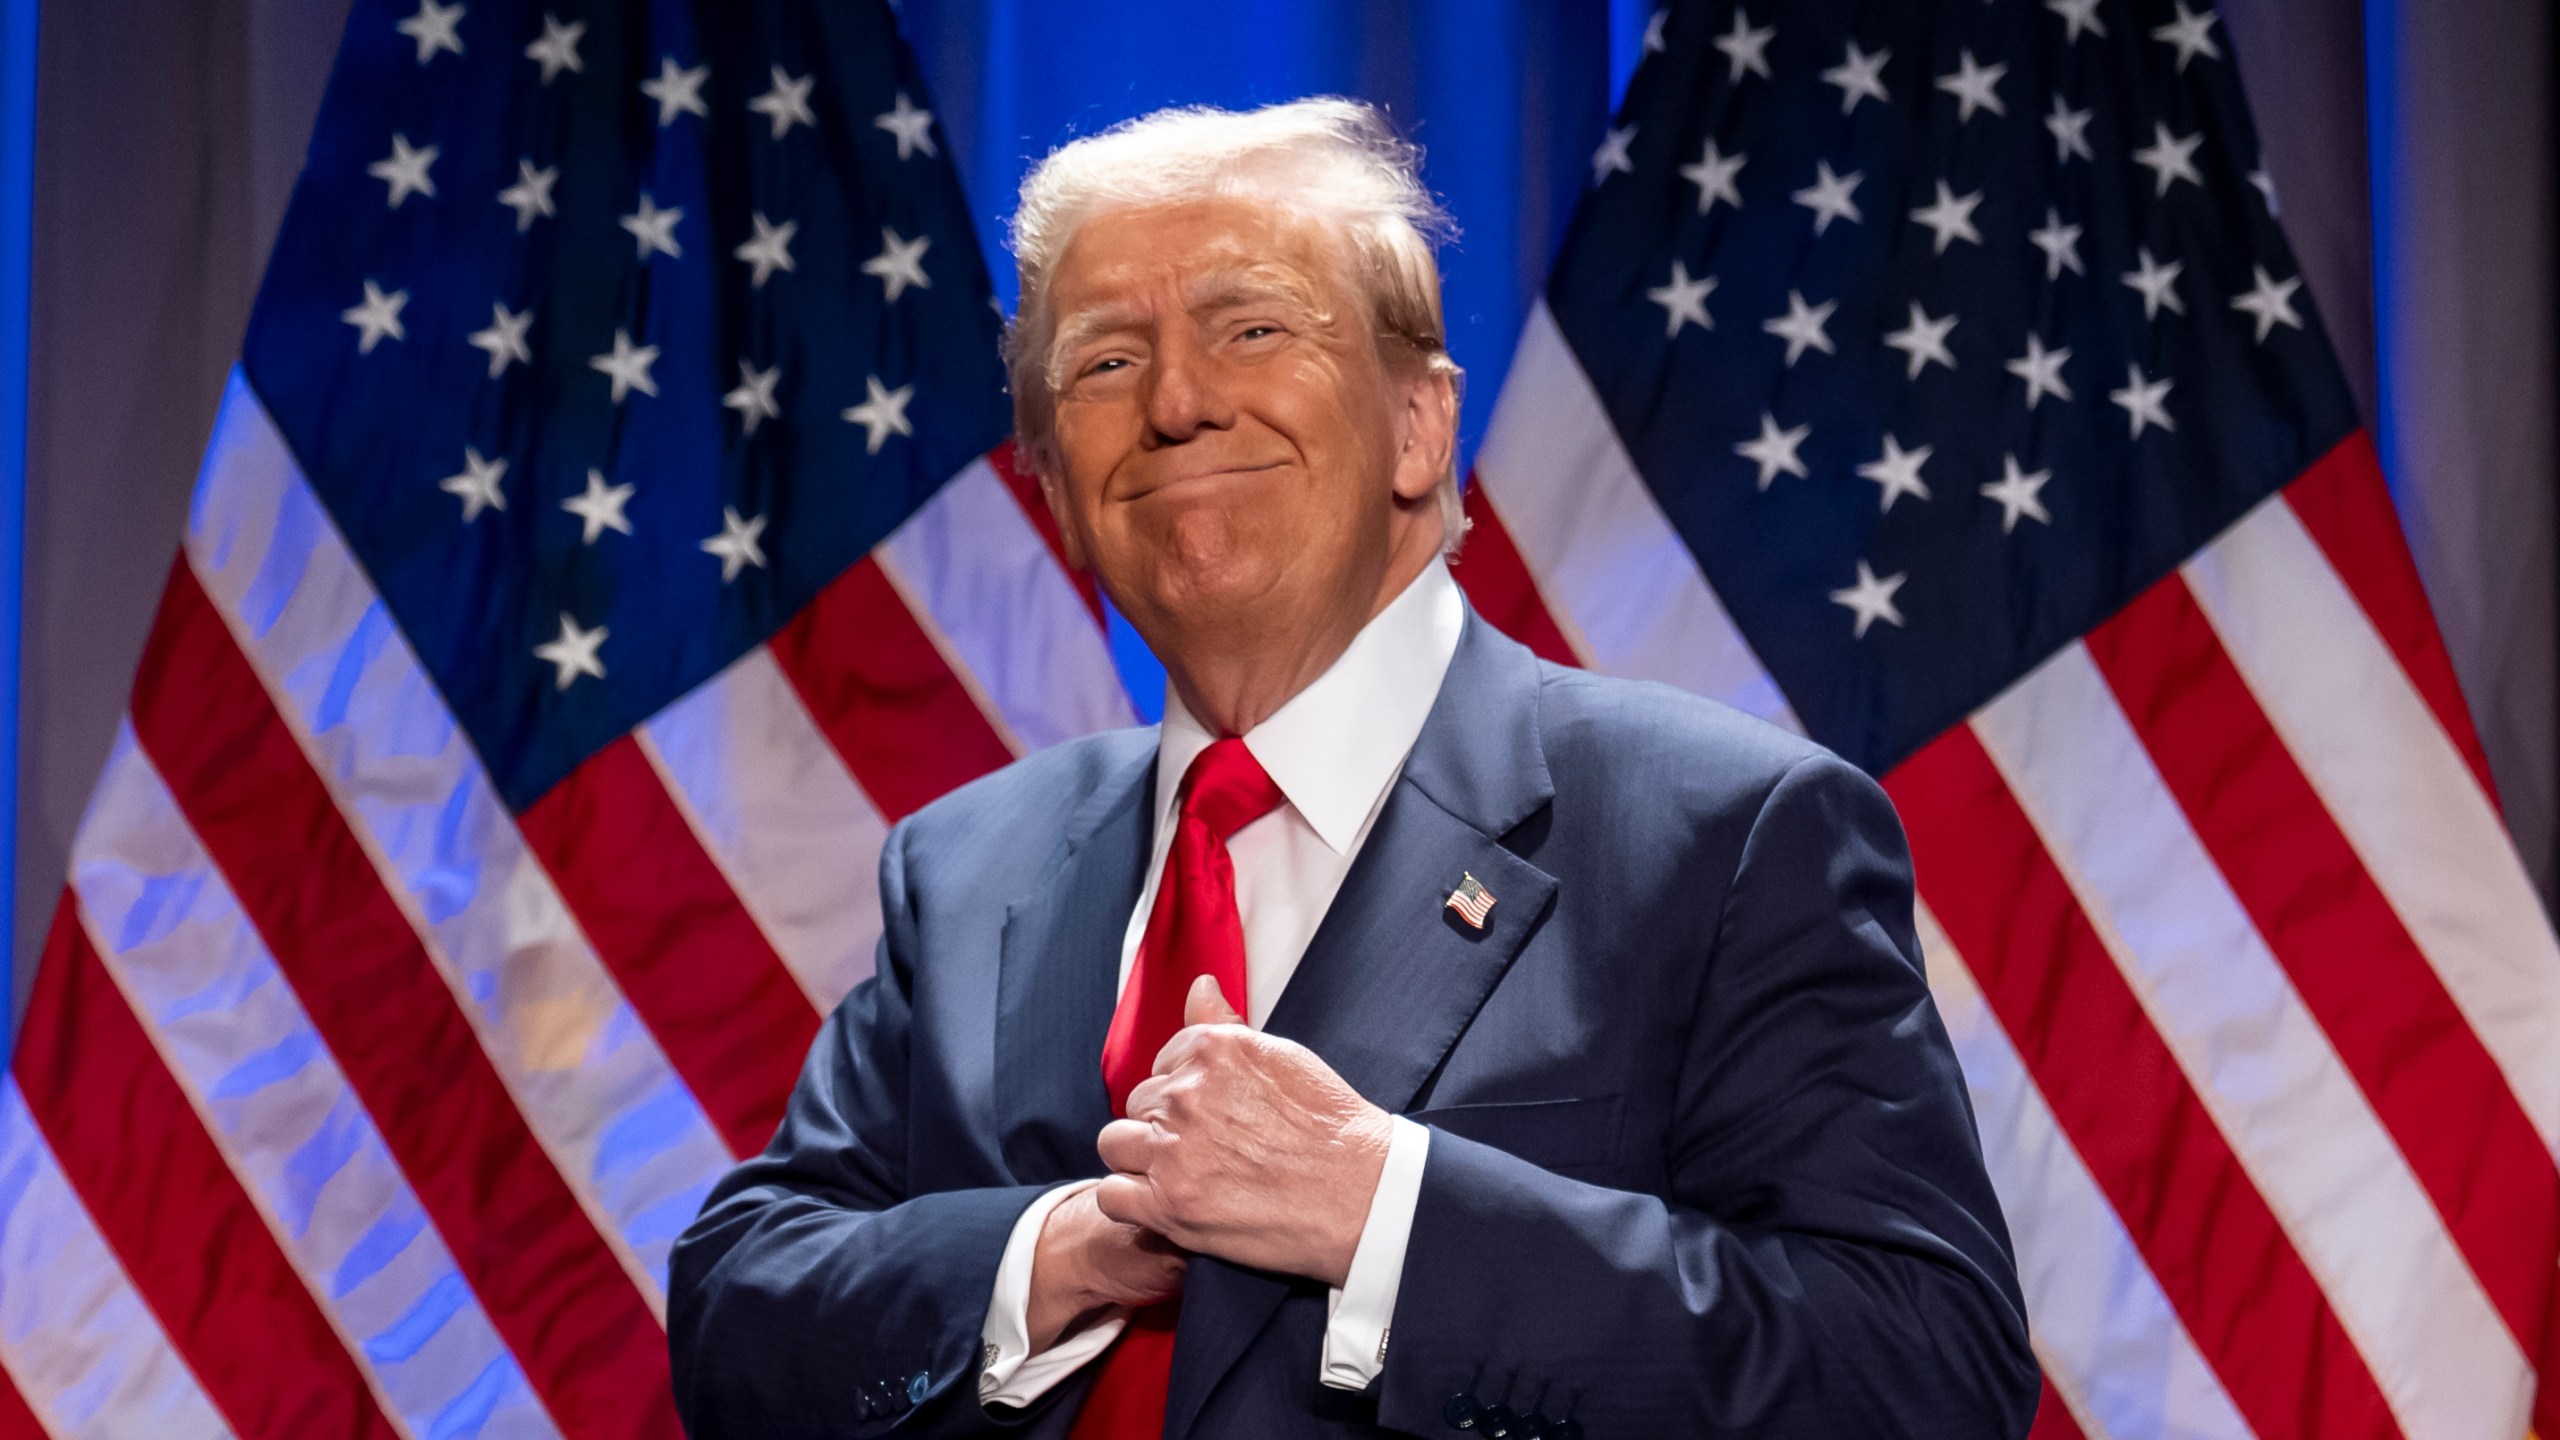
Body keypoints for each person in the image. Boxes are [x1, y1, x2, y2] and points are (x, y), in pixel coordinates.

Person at [668, 98, 2037, 1440]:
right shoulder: (969, 864)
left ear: (1417, 428)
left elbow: (1924, 1369)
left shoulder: (1727, 831)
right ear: (1051, 482)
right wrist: (1063, 1252)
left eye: (1251, 327)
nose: (1178, 403)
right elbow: (738, 1317)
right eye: (1102, 364)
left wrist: (1384, 1208)